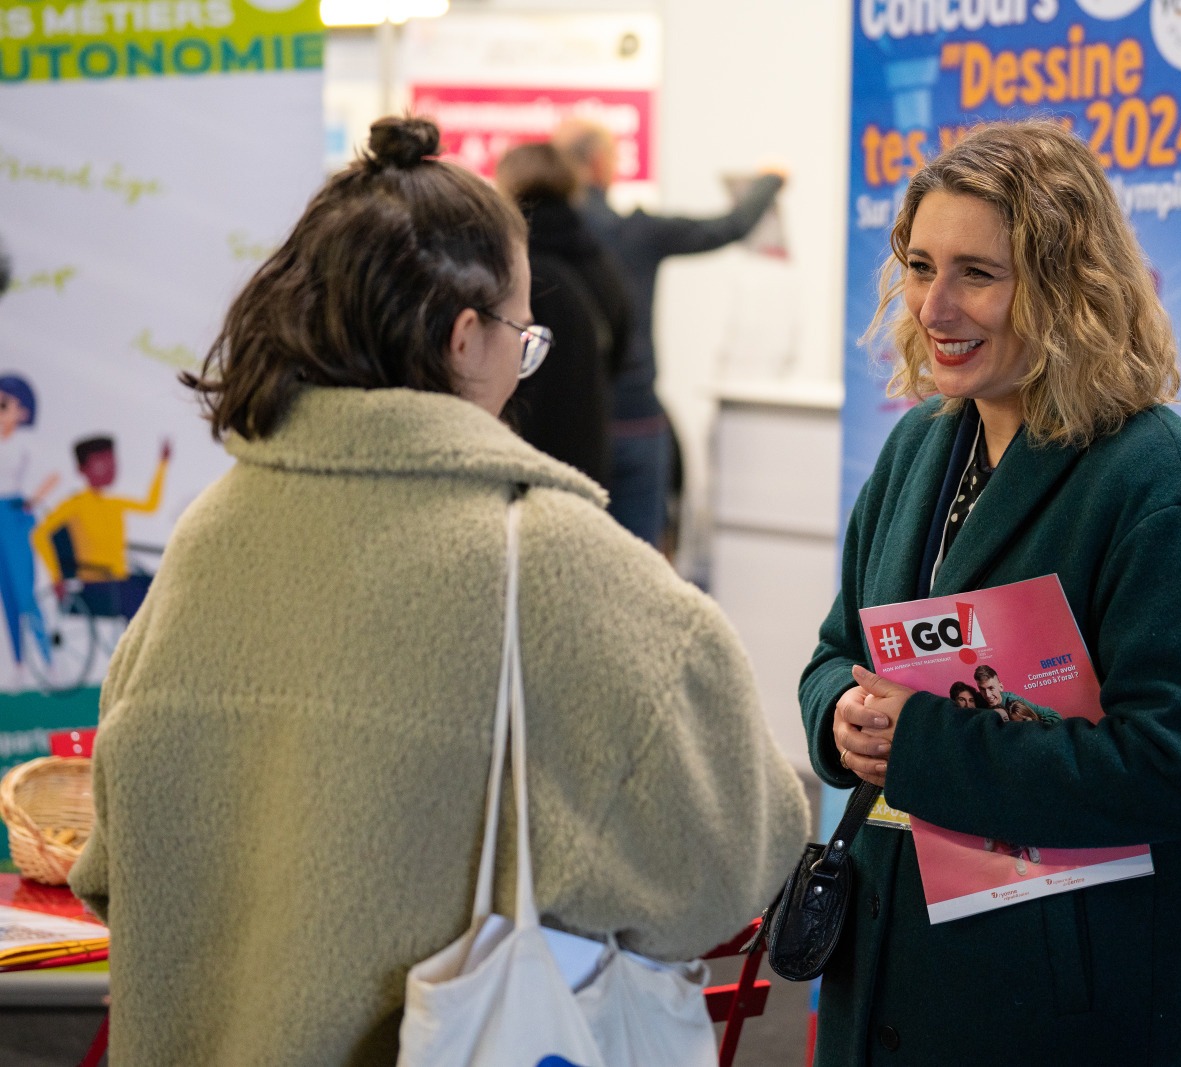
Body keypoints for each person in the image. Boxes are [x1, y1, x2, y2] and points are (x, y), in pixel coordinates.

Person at [68, 117, 809, 1067]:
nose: (521, 363)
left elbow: (113, 865)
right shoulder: (563, 562)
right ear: (466, 338)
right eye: (523, 335)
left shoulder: (211, 533)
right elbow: (733, 864)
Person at [798, 121, 1181, 1065]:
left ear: (1067, 289)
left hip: (1064, 1014)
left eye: (978, 272)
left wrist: (923, 743)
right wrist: (839, 716)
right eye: (922, 265)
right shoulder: (919, 447)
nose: (936, 305)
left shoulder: (1156, 488)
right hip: (899, 977)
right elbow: (836, 647)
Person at [553, 118, 784, 548]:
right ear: (600, 163)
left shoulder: (538, 241)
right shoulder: (637, 233)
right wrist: (771, 180)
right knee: (639, 561)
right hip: (635, 416)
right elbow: (727, 227)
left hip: (569, 423)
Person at [494, 141, 631, 488]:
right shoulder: (599, 259)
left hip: (519, 453)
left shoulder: (510, 266)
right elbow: (622, 342)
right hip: (586, 445)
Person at [32, 435, 169, 618]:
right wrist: (57, 577)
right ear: (82, 469)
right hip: (96, 585)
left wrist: (163, 464)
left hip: (119, 580)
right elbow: (39, 534)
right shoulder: (75, 504)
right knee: (137, 597)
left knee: (165, 586)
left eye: (112, 464)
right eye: (101, 465)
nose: (110, 470)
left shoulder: (113, 503)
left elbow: (150, 506)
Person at [0, 374, 58, 666]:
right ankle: (18, 665)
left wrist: (31, 502)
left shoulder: (24, 444)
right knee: (7, 594)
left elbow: (53, 474)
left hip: (14, 514)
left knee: (25, 592)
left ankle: (48, 661)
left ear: (22, 412)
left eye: (3, 404)